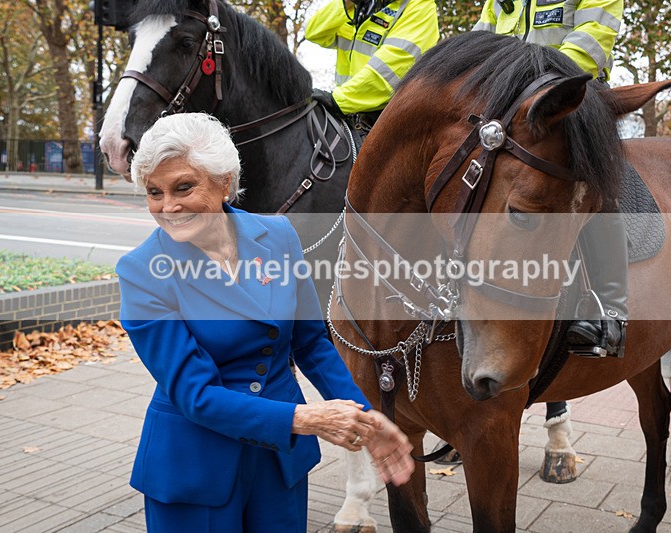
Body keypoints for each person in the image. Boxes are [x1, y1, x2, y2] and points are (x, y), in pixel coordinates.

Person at [116, 112, 414, 532]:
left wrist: (364, 418)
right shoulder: (142, 271)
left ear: (224, 182)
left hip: (278, 463)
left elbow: (310, 342)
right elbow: (195, 394)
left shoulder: (278, 236)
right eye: (154, 192)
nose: (168, 206)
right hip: (197, 462)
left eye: (183, 187)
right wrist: (306, 419)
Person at [475, 0, 628, 358]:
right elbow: (480, 44)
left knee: (597, 187)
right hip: (508, 104)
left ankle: (611, 312)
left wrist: (532, 86)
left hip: (572, 98)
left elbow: (592, 40)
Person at [305, 0, 440, 134]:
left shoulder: (419, 6)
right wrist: (346, 3)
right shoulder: (364, 5)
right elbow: (314, 33)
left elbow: (389, 71)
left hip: (389, 120)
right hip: (349, 112)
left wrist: (336, 101)